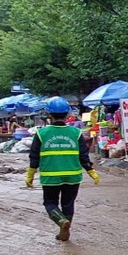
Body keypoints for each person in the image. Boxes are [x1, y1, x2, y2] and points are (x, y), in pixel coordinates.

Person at [25, 96, 99, 242]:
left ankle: (61, 222)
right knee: (68, 204)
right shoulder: (76, 133)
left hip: (50, 176)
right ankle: (64, 230)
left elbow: (34, 157)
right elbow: (83, 156)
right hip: (73, 176)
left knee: (50, 203)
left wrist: (30, 175)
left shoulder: (41, 133)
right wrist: (91, 172)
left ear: (49, 114)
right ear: (67, 114)